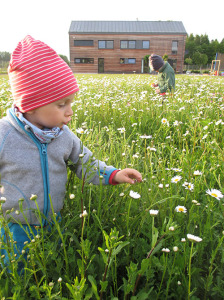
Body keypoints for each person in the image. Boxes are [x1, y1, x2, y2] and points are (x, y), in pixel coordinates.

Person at [0, 35, 142, 270]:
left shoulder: (63, 135)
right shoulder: (5, 135)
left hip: (54, 221)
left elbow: (84, 162)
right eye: (61, 104)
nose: (70, 112)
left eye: (71, 102)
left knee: (56, 266)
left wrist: (113, 174)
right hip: (17, 225)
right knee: (19, 272)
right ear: (32, 104)